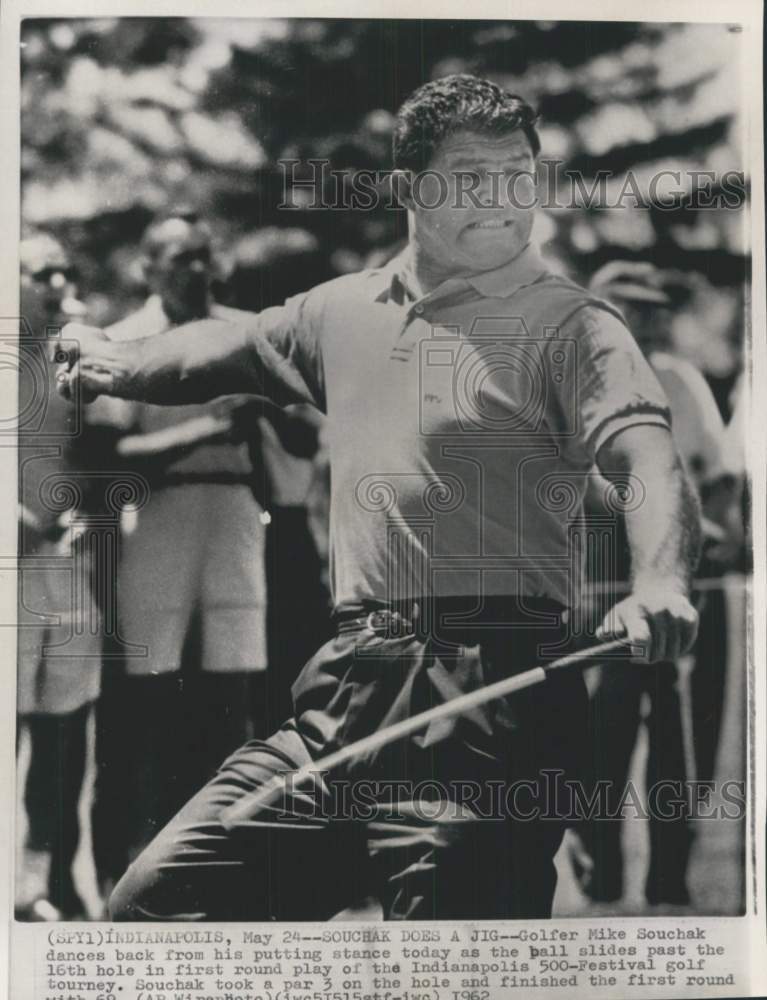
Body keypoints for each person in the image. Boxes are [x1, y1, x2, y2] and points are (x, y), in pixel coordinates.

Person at [60, 75, 700, 922]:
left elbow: (647, 457)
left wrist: (659, 581)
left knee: (445, 963)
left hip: (493, 695)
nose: (501, 199)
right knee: (155, 908)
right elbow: (224, 345)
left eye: (518, 176)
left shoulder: (573, 325)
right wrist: (118, 360)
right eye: (470, 177)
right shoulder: (342, 311)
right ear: (408, 188)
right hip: (345, 690)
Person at [90, 212, 285, 897]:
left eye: (203, 256)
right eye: (179, 258)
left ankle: (230, 859)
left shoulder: (247, 332)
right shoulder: (122, 338)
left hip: (234, 506)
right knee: (148, 689)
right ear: (147, 267)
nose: (196, 270)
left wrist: (276, 413)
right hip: (159, 511)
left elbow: (295, 436)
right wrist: (208, 427)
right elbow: (110, 456)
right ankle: (133, 862)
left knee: (234, 687)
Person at [569, 261, 732, 907]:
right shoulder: (574, 383)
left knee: (678, 727)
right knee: (598, 729)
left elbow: (718, 478)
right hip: (599, 577)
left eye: (649, 308)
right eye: (627, 307)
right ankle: (598, 863)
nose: (642, 320)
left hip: (679, 573)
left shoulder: (679, 380)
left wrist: (707, 528)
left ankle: (669, 874)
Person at [16, 234, 104, 920]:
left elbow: (97, 451)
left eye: (63, 270)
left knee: (63, 728)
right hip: (9, 566)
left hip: (68, 563)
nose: (56, 281)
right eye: (39, 270)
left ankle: (42, 882)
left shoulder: (78, 356)